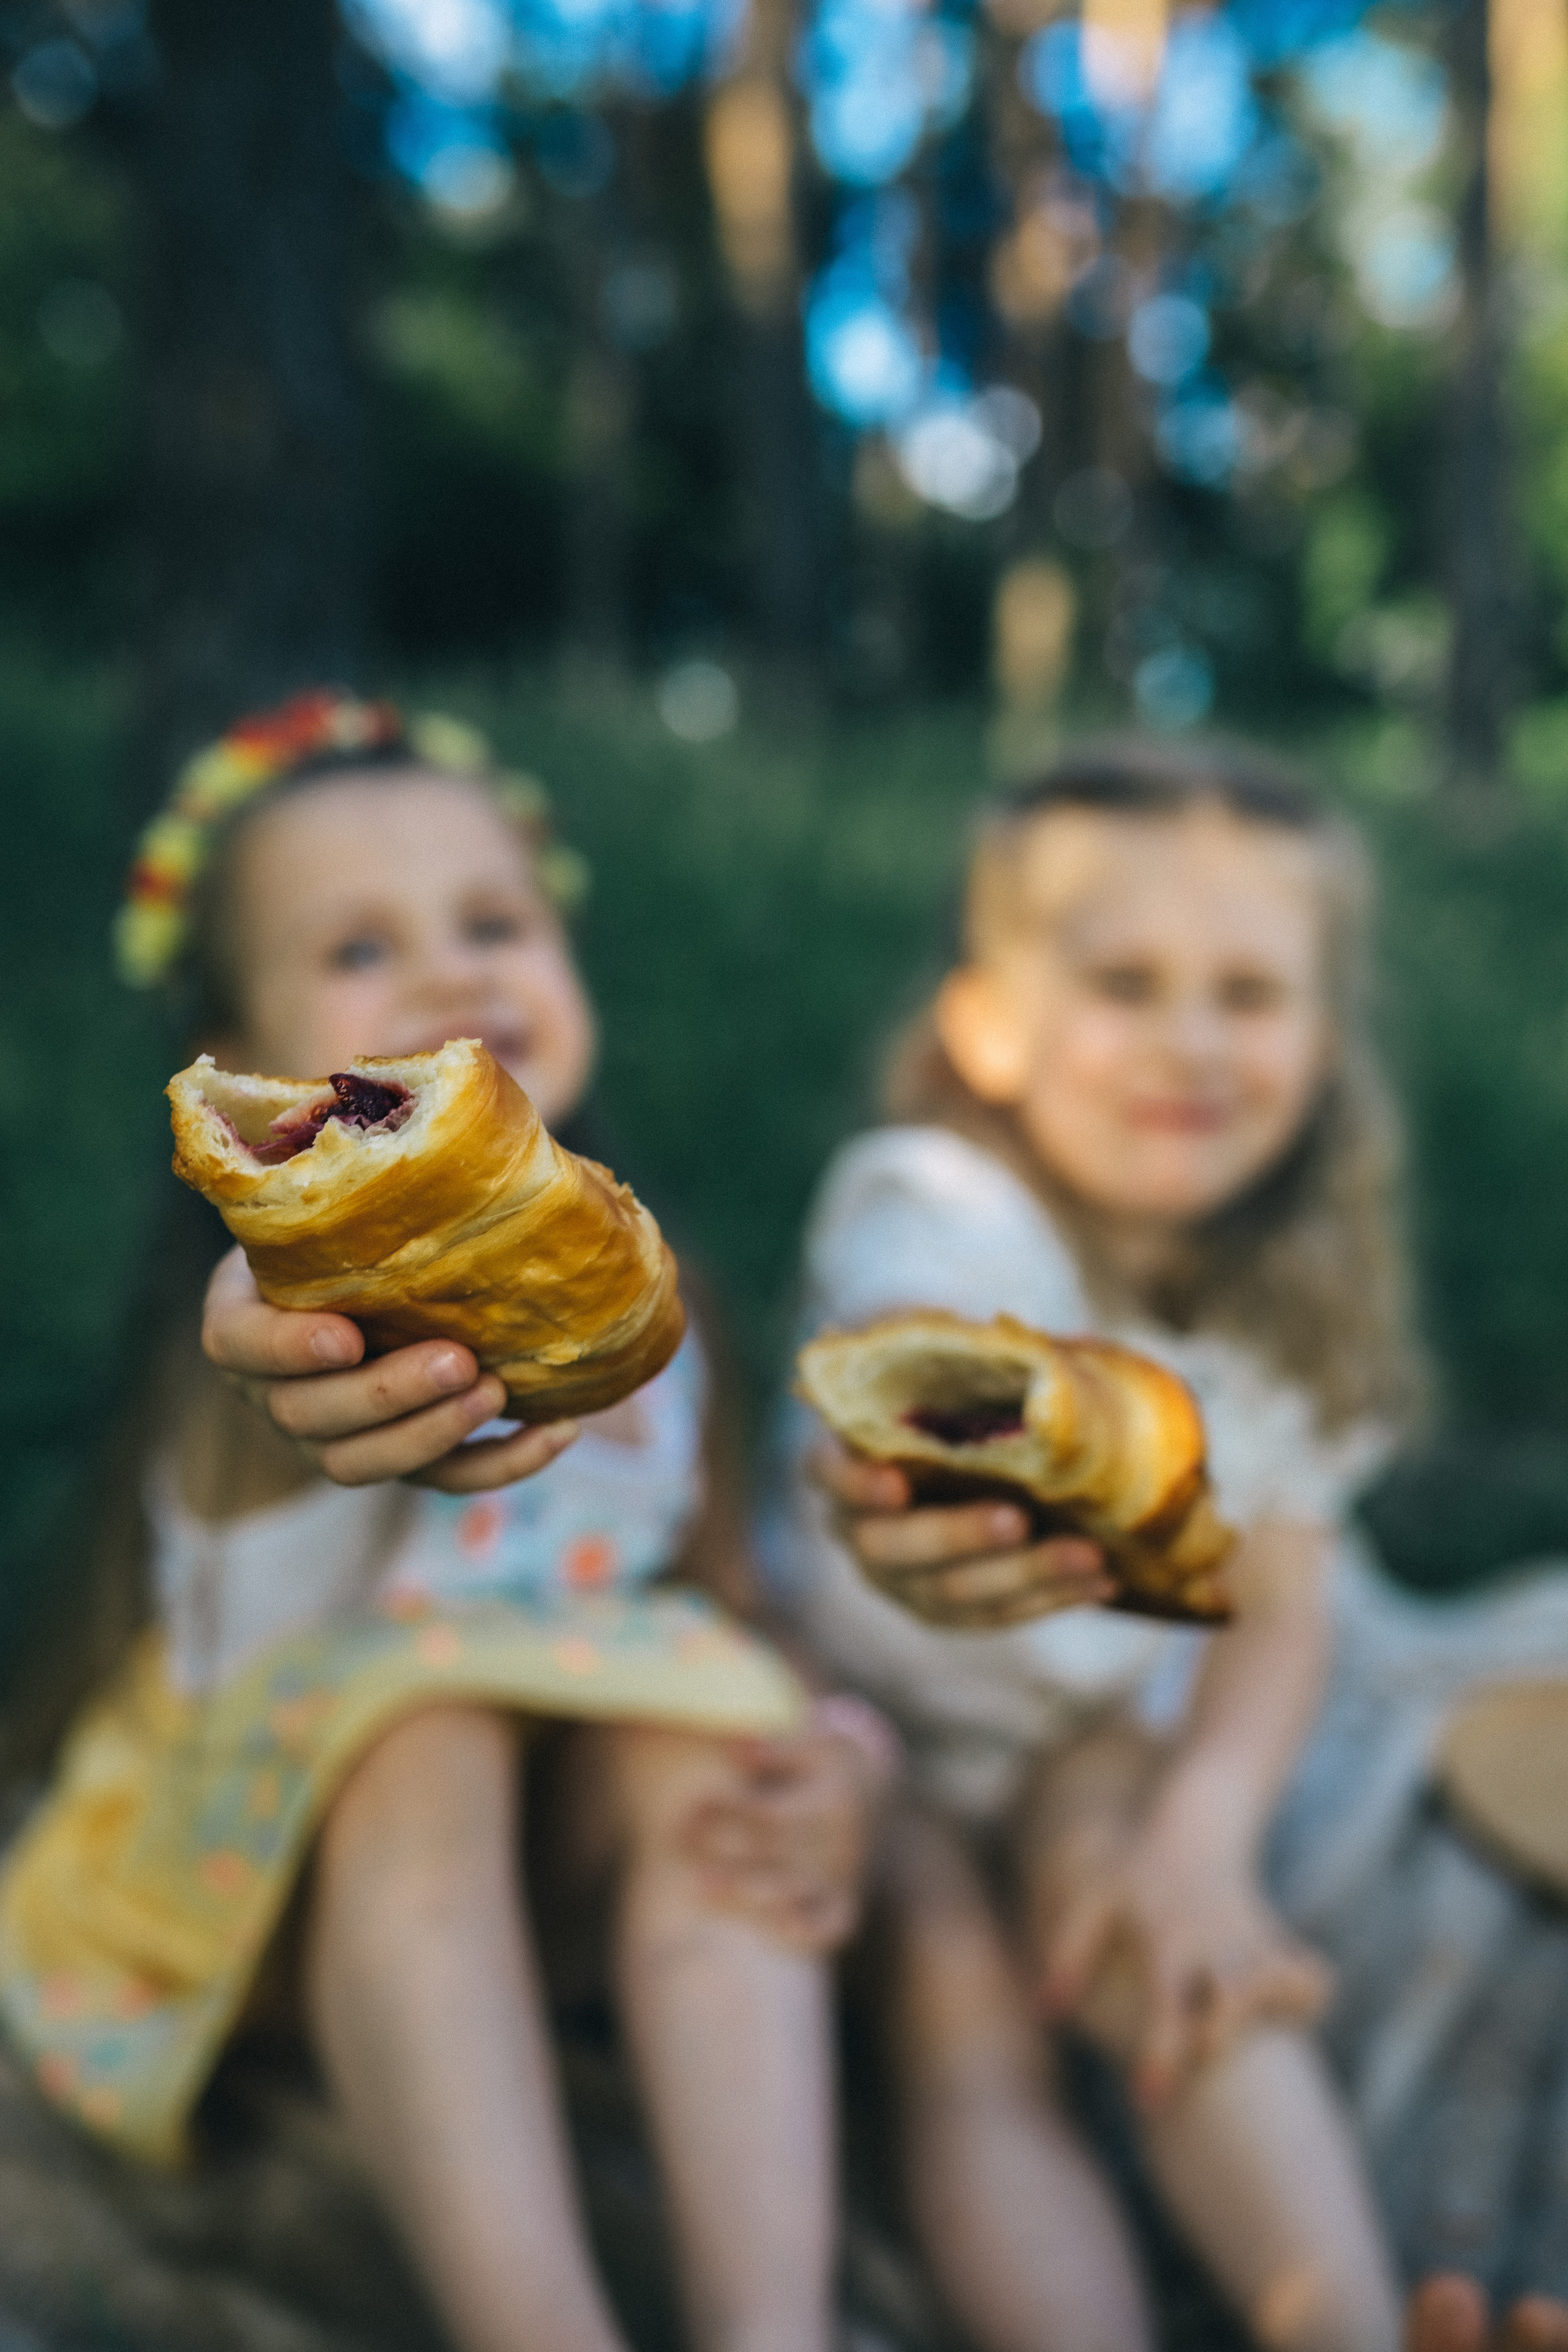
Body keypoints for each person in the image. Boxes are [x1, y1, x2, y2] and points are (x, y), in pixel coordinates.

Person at [0, 690, 894, 2352]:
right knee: (428, 1720)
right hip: (252, 1888)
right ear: (249, 1069)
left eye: (496, 920)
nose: (453, 972)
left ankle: (771, 2329)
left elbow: (728, 1598)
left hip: (535, 1890)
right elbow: (274, 1366)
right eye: (358, 949)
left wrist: (842, 1747)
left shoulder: (651, 1300)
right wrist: (289, 1309)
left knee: (715, 1744)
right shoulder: (290, 1303)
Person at [766, 736, 1420, 2352]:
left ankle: (1345, 2319)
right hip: (864, 1723)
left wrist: (1202, 1835)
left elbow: (1283, 1608)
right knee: (961, 2005)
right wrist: (922, 1477)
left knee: (1168, 1937)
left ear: (1323, 1043)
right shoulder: (938, 1200)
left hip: (1079, 1737)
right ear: (985, 1027)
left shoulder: (1266, 1332)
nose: (1191, 1042)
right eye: (1124, 982)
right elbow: (918, 1360)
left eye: (1251, 995)